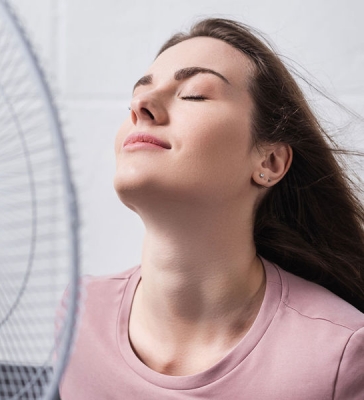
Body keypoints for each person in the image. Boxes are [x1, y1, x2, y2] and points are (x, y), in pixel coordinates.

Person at [59, 18, 364, 399]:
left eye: (194, 95)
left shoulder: (340, 354)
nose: (140, 106)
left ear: (269, 161)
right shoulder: (78, 317)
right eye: (136, 96)